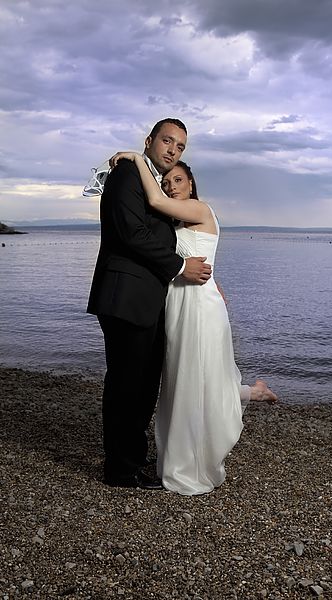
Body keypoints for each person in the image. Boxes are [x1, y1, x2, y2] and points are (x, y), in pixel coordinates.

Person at [108, 152, 278, 495]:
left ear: (192, 184)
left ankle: (191, 467)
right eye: (168, 181)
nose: (171, 187)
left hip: (200, 308)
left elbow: (153, 199)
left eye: (178, 180)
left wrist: (134, 158)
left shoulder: (201, 209)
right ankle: (249, 394)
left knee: (193, 379)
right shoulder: (175, 223)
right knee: (183, 381)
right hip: (178, 306)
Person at [87, 118, 213, 490]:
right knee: (127, 385)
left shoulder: (151, 183)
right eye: (167, 141)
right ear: (150, 141)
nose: (173, 150)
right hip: (126, 296)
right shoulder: (126, 174)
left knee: (143, 387)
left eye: (180, 147)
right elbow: (131, 233)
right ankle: (120, 471)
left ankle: (132, 460)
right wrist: (178, 266)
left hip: (147, 300)